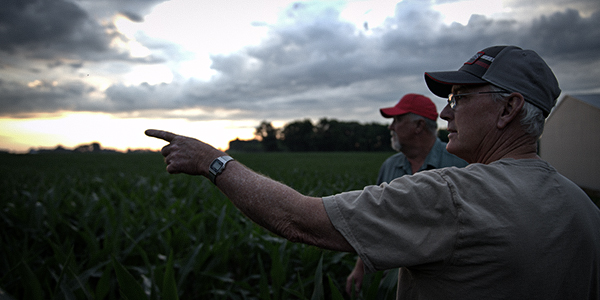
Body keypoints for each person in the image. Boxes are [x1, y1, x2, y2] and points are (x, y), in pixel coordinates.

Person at [146, 45, 600, 299]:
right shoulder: (584, 206)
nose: (447, 113)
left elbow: (300, 219)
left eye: (460, 98)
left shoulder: (452, 192)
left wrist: (213, 161)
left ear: (509, 109)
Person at [345, 93, 467, 296]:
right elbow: (375, 219)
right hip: (393, 283)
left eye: (397, 120)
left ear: (419, 126)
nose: (391, 127)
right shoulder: (390, 166)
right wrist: (360, 267)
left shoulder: (459, 164)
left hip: (445, 285)